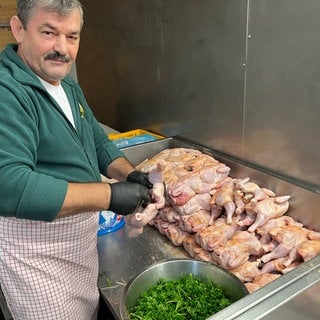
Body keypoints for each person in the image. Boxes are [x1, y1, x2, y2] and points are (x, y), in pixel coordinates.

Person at [0, 1, 153, 319]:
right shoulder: (8, 92)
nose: (62, 48)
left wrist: (128, 174)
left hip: (78, 245)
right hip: (37, 257)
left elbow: (95, 139)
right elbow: (10, 186)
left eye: (72, 36)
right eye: (48, 32)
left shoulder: (64, 80)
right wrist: (109, 195)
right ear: (18, 29)